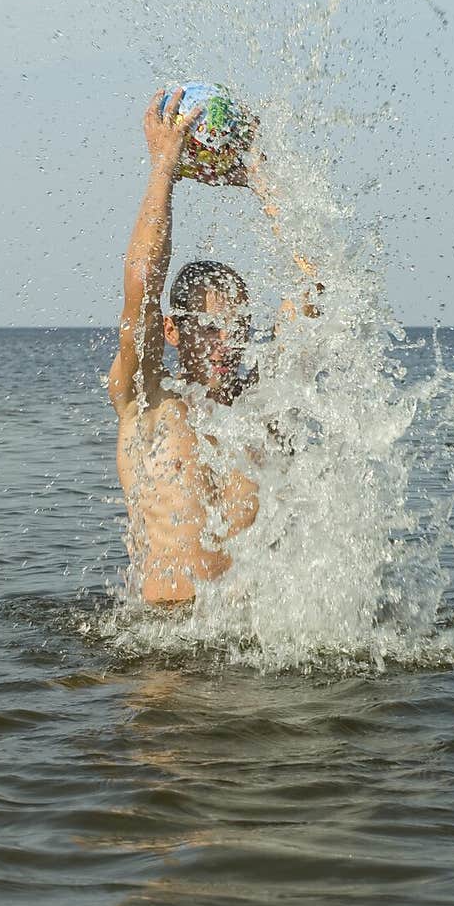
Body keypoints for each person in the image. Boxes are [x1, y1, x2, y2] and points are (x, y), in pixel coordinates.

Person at [107, 87, 319, 607]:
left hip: (252, 647)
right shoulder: (146, 398)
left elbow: (319, 284)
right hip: (164, 643)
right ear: (174, 332)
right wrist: (163, 168)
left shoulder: (262, 405)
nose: (229, 342)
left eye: (239, 326)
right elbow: (142, 287)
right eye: (209, 327)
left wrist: (259, 179)